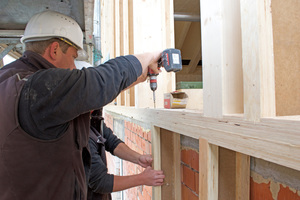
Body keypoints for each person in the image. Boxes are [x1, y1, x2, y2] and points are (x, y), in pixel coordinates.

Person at [0, 10, 162, 200]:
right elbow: (97, 84)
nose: (74, 68)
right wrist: (150, 56)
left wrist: (137, 78)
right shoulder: (37, 87)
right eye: (73, 57)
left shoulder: (13, 80)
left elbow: (93, 101)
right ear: (54, 50)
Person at [88, 109, 165, 200]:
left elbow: (111, 142)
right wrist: (143, 178)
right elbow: (100, 182)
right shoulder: (78, 133)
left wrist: (138, 158)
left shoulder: (92, 119)